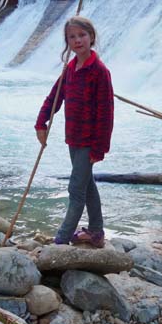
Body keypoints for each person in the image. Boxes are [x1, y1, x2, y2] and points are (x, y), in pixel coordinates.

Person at [35, 16, 114, 247]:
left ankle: (60, 240)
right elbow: (55, 96)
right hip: (73, 138)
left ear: (92, 37)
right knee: (87, 185)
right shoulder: (71, 68)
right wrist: (41, 122)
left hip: (89, 141)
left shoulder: (99, 71)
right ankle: (97, 232)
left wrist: (100, 148)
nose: (77, 40)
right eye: (72, 36)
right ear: (67, 41)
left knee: (76, 190)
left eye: (82, 35)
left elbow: (106, 113)